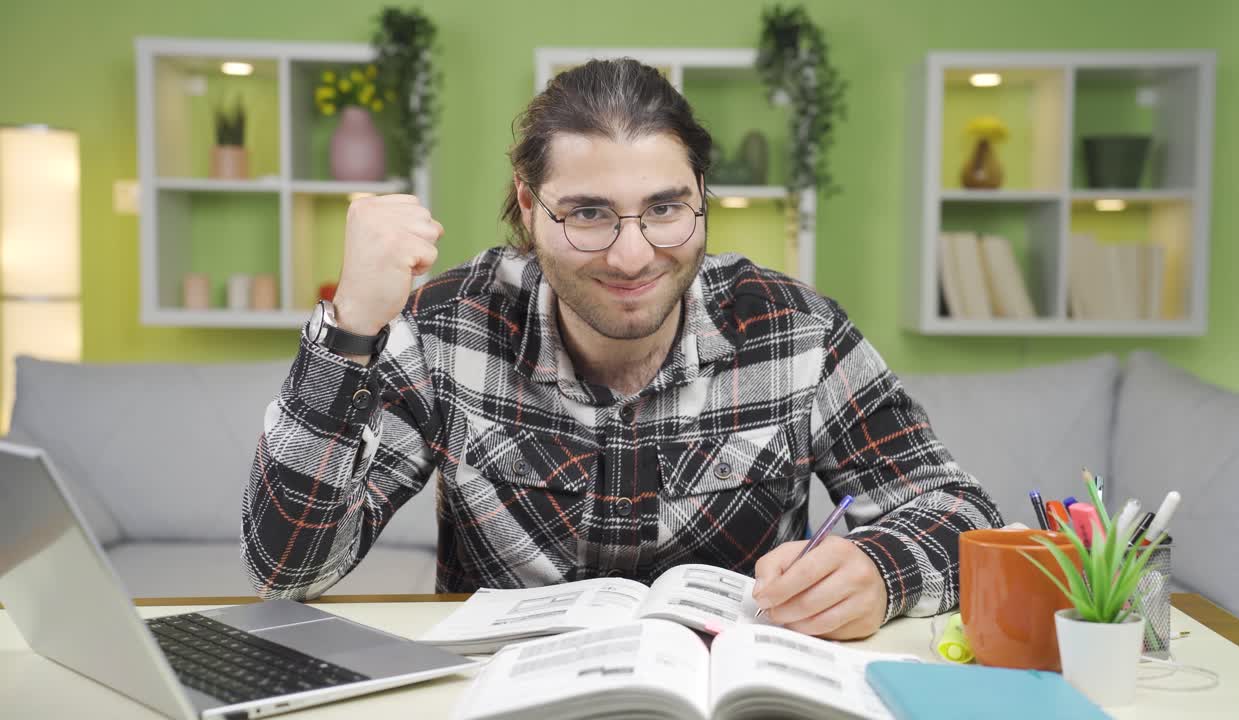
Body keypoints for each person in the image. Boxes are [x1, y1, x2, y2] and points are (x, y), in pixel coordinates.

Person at [242, 58, 1002, 640]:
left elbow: (960, 513)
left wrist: (880, 569)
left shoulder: (797, 331)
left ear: (701, 192)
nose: (633, 257)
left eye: (665, 208)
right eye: (589, 214)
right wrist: (351, 327)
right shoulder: (448, 328)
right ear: (530, 204)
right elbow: (287, 569)